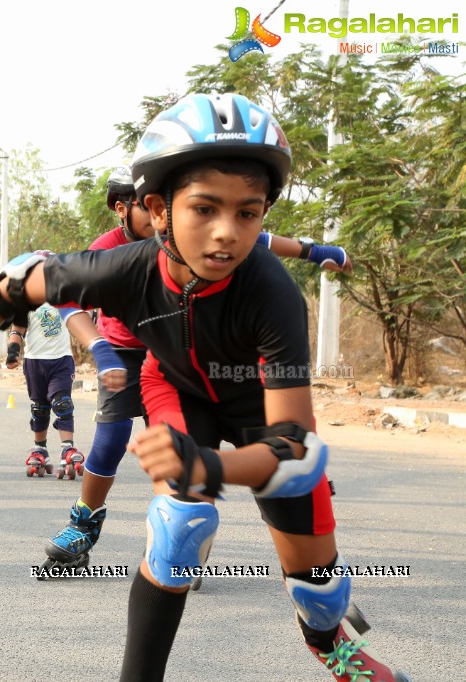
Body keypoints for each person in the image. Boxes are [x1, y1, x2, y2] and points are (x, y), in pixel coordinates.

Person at [0, 93, 407, 681]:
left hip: (258, 411)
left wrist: (212, 468)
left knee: (318, 597)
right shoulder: (124, 267)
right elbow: (17, 284)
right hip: (176, 390)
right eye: (205, 208)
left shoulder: (271, 291)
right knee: (178, 523)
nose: (226, 235)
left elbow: (294, 450)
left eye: (248, 213)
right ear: (157, 208)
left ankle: (334, 648)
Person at [44, 165, 354, 577]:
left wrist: (317, 251)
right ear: (129, 208)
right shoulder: (108, 247)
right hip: (122, 354)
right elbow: (65, 298)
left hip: (183, 357)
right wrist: (99, 347)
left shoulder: (191, 234)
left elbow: (258, 240)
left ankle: (193, 540)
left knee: (194, 450)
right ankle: (84, 522)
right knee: (110, 441)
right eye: (146, 205)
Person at [5, 264, 85, 479]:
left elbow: (79, 320)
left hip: (61, 360)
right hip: (34, 362)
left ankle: (67, 447)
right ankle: (40, 449)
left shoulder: (64, 298)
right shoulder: (26, 301)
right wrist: (13, 351)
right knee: (39, 408)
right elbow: (17, 329)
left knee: (63, 403)